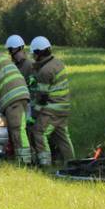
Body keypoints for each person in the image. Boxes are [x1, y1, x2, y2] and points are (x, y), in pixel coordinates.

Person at [28, 36, 74, 167]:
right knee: (62, 137)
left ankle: (45, 164)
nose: (33, 57)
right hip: (64, 107)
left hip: (52, 109)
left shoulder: (45, 71)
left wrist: (33, 116)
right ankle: (72, 163)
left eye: (34, 53)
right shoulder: (59, 63)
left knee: (39, 132)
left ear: (39, 53)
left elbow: (42, 99)